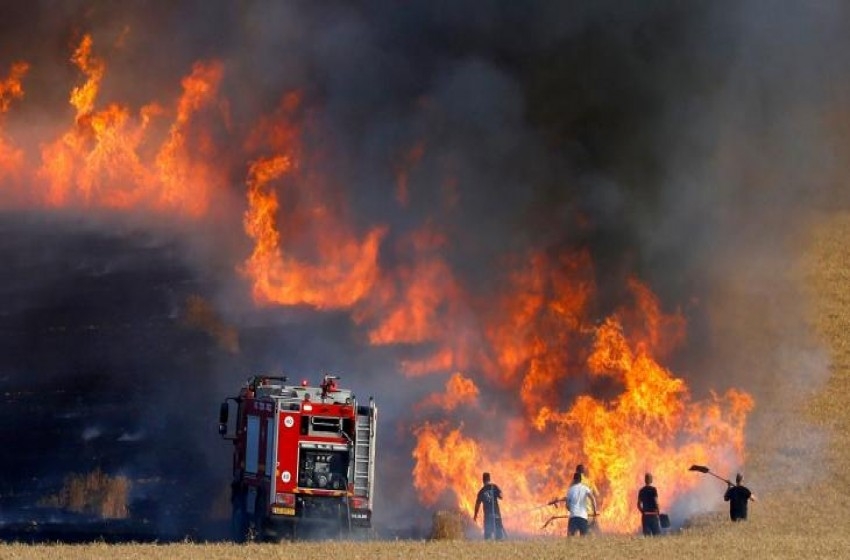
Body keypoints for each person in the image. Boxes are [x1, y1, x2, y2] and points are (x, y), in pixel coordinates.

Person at [473, 472, 506, 539]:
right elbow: (501, 496)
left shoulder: (481, 492)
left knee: (488, 537)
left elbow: (477, 505)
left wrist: (475, 516)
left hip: (488, 517)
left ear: (483, 480)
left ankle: (489, 548)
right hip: (496, 515)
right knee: (499, 537)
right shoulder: (494, 487)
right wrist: (498, 493)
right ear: (489, 479)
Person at [566, 471, 598, 536]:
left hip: (573, 518)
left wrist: (570, 509)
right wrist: (594, 512)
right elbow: (593, 499)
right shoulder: (585, 488)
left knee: (570, 539)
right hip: (583, 518)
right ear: (580, 480)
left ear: (574, 480)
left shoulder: (570, 490)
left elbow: (567, 505)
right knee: (583, 539)